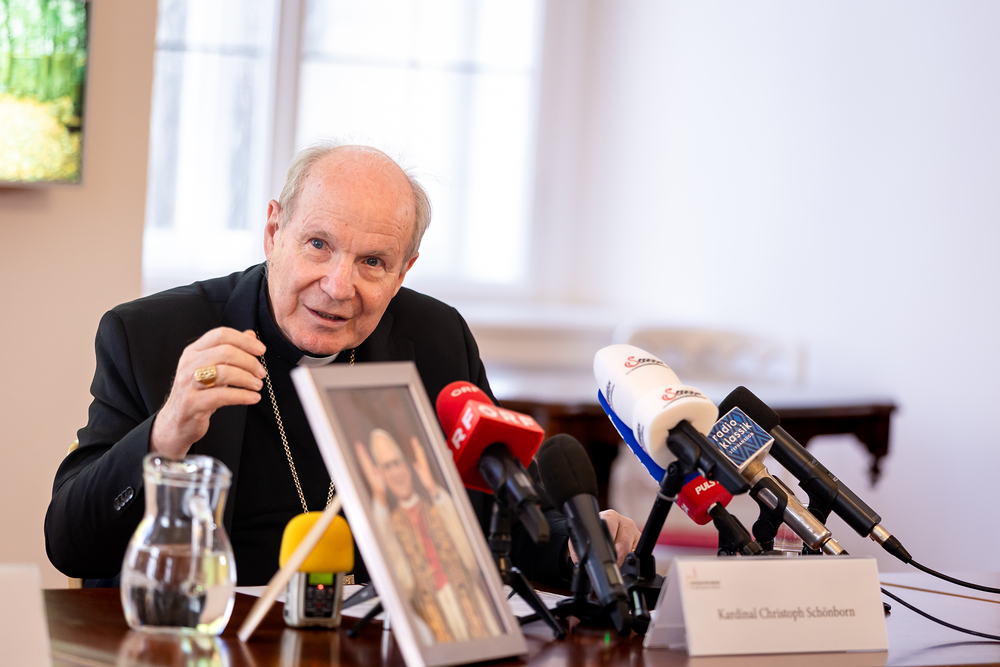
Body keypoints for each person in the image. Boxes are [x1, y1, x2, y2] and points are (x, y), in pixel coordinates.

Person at [45, 142, 640, 587]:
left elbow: (504, 525)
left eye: (373, 262)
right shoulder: (151, 336)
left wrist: (580, 544)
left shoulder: (436, 340)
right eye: (318, 244)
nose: (337, 286)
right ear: (274, 231)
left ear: (404, 271)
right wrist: (167, 432)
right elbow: (70, 544)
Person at [357, 429, 501, 644]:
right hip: (428, 617)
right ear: (380, 475)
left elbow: (470, 562)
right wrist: (379, 498)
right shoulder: (390, 522)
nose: (396, 473)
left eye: (397, 463)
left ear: (409, 465)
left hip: (468, 606)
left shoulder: (438, 505)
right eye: (387, 467)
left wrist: (433, 488)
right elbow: (404, 583)